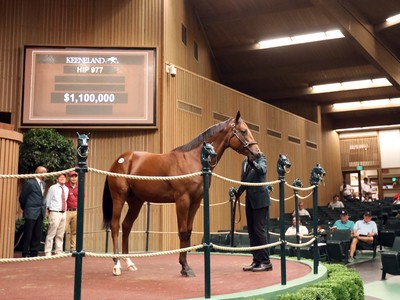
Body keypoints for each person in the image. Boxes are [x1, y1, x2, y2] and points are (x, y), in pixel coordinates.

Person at [235, 153, 272, 272]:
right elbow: (245, 180)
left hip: (260, 200)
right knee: (251, 231)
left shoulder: (261, 158)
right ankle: (256, 260)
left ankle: (266, 262)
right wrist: (238, 192)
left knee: (259, 230)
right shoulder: (244, 162)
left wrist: (252, 162)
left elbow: (262, 170)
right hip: (250, 200)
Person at [18, 166, 47, 257]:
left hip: (40, 211)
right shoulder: (30, 183)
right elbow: (22, 198)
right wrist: (26, 208)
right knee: (28, 233)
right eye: (44, 172)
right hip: (31, 211)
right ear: (38, 172)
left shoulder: (44, 184)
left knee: (37, 233)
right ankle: (25, 252)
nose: (45, 174)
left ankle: (34, 252)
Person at [44, 173, 69, 256]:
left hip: (63, 212)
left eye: (64, 177)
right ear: (57, 179)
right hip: (55, 212)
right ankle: (48, 251)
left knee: (60, 233)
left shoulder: (66, 189)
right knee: (52, 233)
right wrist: (48, 212)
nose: (62, 178)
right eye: (60, 177)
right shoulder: (53, 188)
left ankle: (58, 250)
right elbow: (48, 200)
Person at [65, 171, 78, 252]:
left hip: (76, 211)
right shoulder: (65, 186)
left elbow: (82, 199)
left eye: (75, 176)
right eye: (72, 176)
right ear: (69, 177)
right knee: (63, 229)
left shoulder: (79, 186)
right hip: (66, 211)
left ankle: (73, 248)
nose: (74, 178)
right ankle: (58, 249)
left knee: (74, 231)